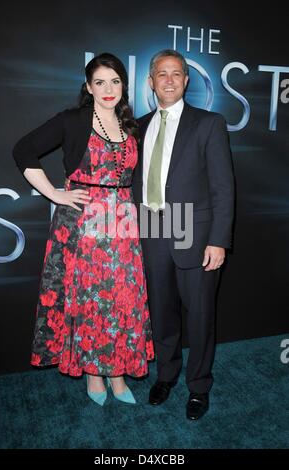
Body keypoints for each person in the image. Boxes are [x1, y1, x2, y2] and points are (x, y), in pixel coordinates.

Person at [13, 52, 154, 406]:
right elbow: (23, 150)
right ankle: (94, 374)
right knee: (91, 300)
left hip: (122, 225)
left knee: (122, 299)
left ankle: (118, 373)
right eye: (100, 82)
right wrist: (54, 193)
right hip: (84, 225)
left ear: (124, 85)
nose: (108, 89)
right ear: (89, 87)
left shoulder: (131, 125)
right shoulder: (73, 120)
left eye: (115, 81)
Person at [132, 49, 234, 420]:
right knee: (162, 314)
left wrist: (219, 240)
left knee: (200, 316)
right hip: (153, 229)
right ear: (151, 81)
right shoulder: (139, 126)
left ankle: (198, 387)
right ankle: (167, 375)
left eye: (177, 74)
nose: (170, 80)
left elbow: (224, 187)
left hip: (197, 232)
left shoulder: (209, 123)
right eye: (162, 74)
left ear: (187, 80)